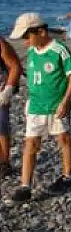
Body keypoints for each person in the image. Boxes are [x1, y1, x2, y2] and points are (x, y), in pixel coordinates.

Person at [8, 13, 71, 202]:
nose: (25, 41)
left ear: (41, 31)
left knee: (63, 139)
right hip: (35, 106)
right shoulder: (31, 52)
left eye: (27, 36)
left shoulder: (59, 50)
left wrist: (65, 101)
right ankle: (25, 185)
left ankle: (68, 176)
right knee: (30, 144)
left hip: (57, 106)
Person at [0, 36, 21, 178]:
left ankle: (4, 163)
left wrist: (7, 90)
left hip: (1, 87)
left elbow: (15, 66)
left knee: (1, 124)